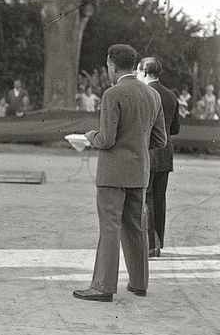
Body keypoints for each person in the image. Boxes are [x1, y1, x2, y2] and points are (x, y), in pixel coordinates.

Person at [74, 44, 167, 302]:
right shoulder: (153, 95)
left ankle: (103, 286)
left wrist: (89, 136)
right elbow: (160, 140)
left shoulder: (112, 94)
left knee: (110, 227)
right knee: (136, 227)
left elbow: (106, 139)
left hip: (112, 174)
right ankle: (139, 283)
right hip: (139, 172)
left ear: (112, 66)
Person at [136, 57, 180, 258]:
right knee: (160, 198)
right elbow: (175, 129)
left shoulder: (146, 93)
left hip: (150, 152)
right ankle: (158, 243)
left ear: (144, 72)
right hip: (166, 154)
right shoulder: (171, 95)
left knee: (147, 198)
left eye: (138, 72)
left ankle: (150, 245)